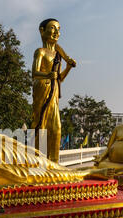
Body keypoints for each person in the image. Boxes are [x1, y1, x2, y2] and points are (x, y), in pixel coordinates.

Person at [31, 18, 76, 163]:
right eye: (52, 28)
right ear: (42, 31)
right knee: (40, 124)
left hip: (54, 92)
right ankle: (38, 161)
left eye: (58, 29)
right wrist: (48, 75)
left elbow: (59, 78)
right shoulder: (40, 52)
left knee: (56, 128)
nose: (56, 32)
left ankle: (54, 163)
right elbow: (34, 73)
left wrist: (68, 66)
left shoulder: (58, 55)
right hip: (42, 89)